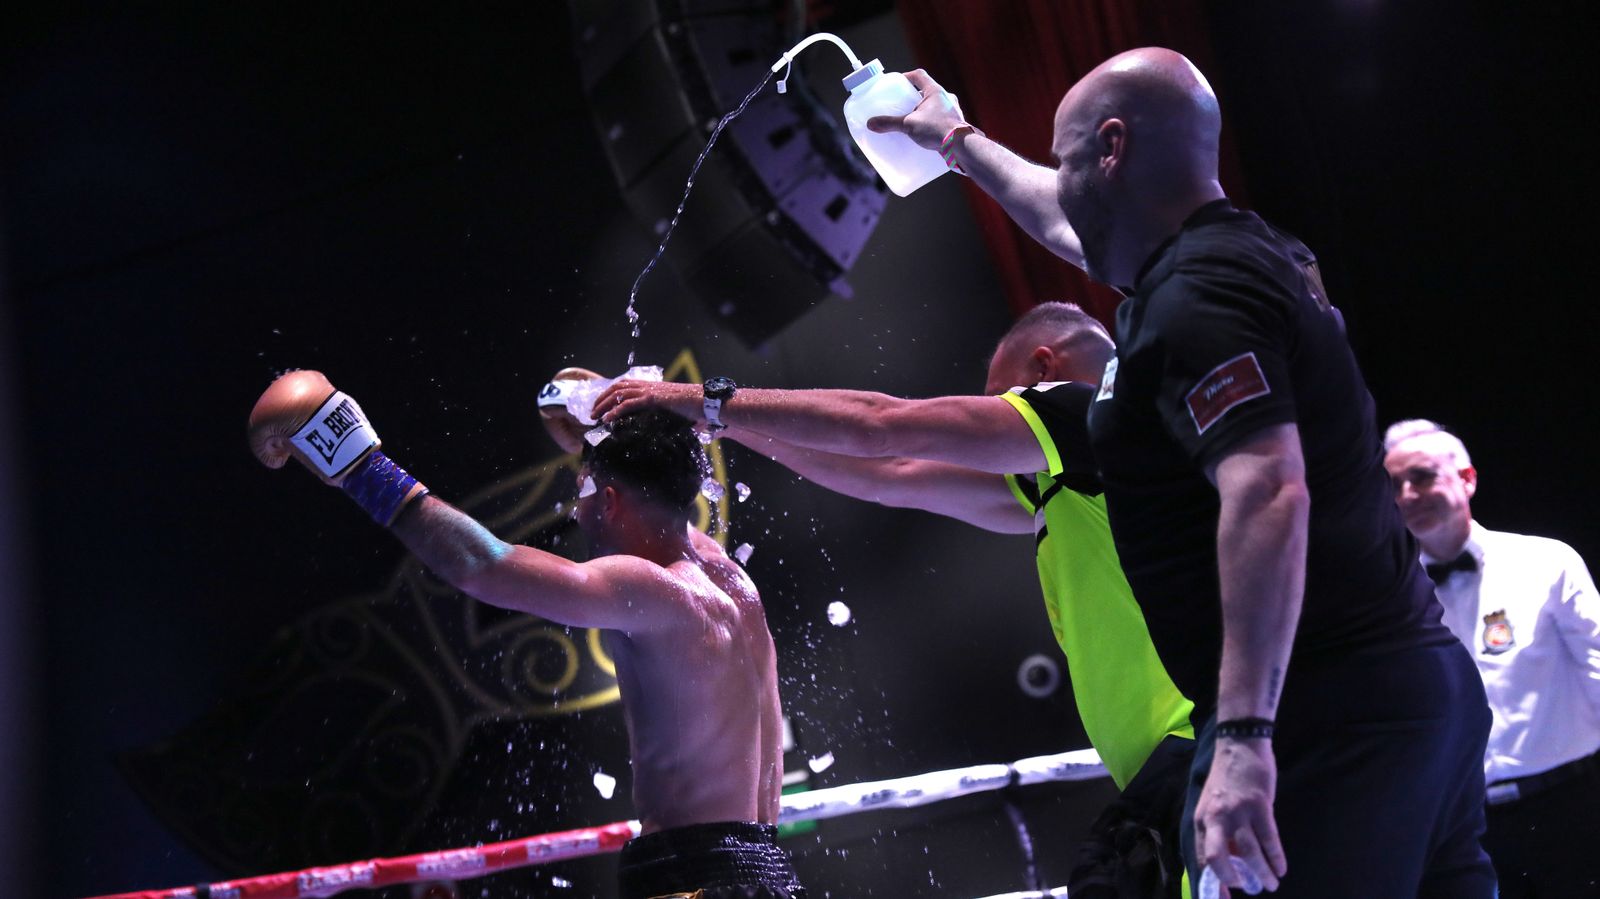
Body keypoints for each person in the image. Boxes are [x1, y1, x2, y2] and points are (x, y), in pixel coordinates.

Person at [857, 47, 1497, 896]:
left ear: (1111, 149)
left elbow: (1268, 491)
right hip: (1407, 690)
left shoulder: (1197, 296)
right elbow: (1063, 221)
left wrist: (1241, 737)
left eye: (1065, 155)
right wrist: (957, 141)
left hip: (1326, 714)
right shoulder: (1230, 258)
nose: (1060, 178)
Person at [593, 302, 1196, 898]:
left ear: (1043, 370)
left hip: (1196, 750)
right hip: (1168, 764)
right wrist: (725, 424)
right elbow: (888, 473)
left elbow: (880, 425)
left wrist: (702, 399)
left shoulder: (1084, 413)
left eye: (1001, 398)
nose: (995, 418)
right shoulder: (1073, 480)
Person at [247, 370, 805, 899]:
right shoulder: (730, 580)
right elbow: (650, 471)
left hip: (693, 879)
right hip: (767, 875)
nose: (579, 511)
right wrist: (593, 419)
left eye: (585, 491)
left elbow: (484, 566)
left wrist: (360, 467)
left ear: (607, 499)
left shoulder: (653, 589)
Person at [1384, 419, 1600, 896]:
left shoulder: (1547, 563)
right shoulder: (1391, 597)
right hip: (1456, 824)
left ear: (1467, 478)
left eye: (1420, 476)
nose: (1406, 494)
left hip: (1568, 806)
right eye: (1394, 484)